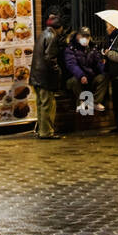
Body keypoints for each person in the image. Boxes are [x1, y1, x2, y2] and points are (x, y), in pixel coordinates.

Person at [30, 8, 65, 140]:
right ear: (59, 28)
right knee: (48, 105)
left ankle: (42, 130)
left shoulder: (43, 34)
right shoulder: (52, 36)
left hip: (36, 76)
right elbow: (50, 58)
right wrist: (57, 71)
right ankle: (47, 132)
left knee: (41, 104)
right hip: (44, 77)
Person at [63, 27, 107, 115]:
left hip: (90, 77)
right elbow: (71, 64)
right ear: (78, 36)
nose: (85, 39)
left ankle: (94, 103)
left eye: (87, 37)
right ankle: (81, 102)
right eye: (83, 36)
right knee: (74, 80)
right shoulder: (70, 48)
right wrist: (81, 75)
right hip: (76, 78)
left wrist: (104, 68)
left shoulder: (92, 47)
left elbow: (98, 62)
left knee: (103, 77)